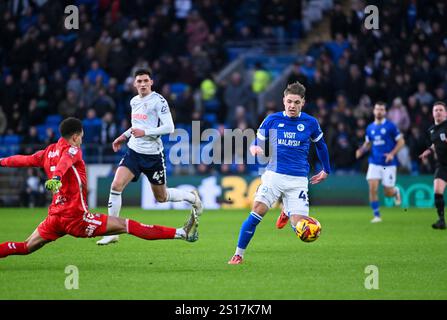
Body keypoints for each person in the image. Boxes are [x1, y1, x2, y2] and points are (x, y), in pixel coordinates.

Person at [0, 118, 199, 259]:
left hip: (54, 218)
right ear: (76, 137)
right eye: (82, 136)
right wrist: (57, 177)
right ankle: (181, 233)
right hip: (77, 219)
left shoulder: (48, 152)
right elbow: (66, 161)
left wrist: (2, 161)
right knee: (126, 225)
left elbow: (22, 159)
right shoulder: (73, 150)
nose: (82, 139)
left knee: (25, 247)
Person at [228, 82, 331, 265]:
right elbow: (258, 140)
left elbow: (321, 146)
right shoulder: (272, 119)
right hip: (274, 176)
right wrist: (255, 148)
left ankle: (287, 211)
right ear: (283, 100)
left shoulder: (310, 122)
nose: (292, 105)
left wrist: (326, 169)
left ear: (303, 103)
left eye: (296, 102)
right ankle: (238, 254)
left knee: (301, 230)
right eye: (289, 101)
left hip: (298, 179)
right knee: (256, 212)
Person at [97, 69, 202, 245]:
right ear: (134, 83)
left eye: (146, 80)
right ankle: (112, 231)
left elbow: (169, 127)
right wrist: (124, 136)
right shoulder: (134, 101)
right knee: (116, 185)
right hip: (134, 152)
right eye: (139, 81)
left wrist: (144, 132)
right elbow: (135, 126)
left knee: (161, 197)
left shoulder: (159, 101)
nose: (143, 84)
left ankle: (192, 197)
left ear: (151, 82)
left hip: (153, 156)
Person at [355, 102, 405, 223]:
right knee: (372, 188)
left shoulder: (391, 126)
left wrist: (392, 154)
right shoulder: (370, 128)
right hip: (374, 162)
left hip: (389, 164)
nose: (379, 111)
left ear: (385, 112)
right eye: (377, 109)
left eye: (381, 109)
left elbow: (401, 142)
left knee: (388, 192)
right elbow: (368, 143)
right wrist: (361, 150)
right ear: (373, 111)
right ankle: (377, 215)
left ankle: (395, 192)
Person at [419, 101, 447, 229]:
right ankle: (441, 220)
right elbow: (435, 144)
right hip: (442, 165)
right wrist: (429, 151)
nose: (438, 112)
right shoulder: (431, 130)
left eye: (441, 110)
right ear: (432, 113)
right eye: (436, 110)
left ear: (446, 113)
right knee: (437, 190)